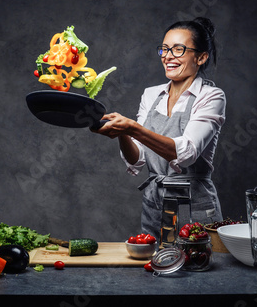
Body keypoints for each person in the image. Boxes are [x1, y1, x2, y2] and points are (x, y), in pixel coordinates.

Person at [93, 17, 226, 240]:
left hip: (195, 207)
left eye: (178, 49)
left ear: (201, 57)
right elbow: (137, 159)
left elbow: (187, 153)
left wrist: (133, 128)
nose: (167, 56)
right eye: (164, 49)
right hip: (156, 204)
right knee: (156, 265)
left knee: (200, 268)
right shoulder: (151, 94)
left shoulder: (211, 96)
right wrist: (124, 133)